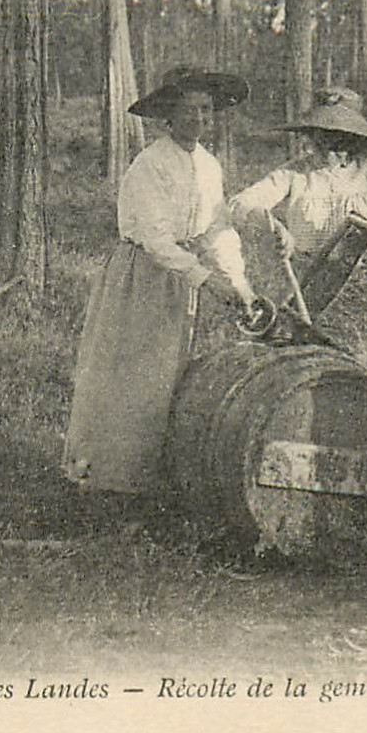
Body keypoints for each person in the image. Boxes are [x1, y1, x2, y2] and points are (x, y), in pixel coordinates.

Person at [65, 67, 256, 498]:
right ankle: (108, 481)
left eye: (205, 111)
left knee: (171, 378)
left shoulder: (208, 166)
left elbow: (216, 229)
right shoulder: (150, 164)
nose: (197, 120)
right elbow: (154, 238)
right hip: (142, 275)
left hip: (181, 278)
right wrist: (205, 279)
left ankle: (152, 482)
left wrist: (239, 284)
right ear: (168, 116)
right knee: (132, 376)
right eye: (187, 111)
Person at [229, 86, 367, 419]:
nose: (329, 145)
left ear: (354, 138)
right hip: (318, 292)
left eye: (339, 137)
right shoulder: (295, 174)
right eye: (322, 135)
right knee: (319, 386)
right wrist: (274, 228)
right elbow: (241, 203)